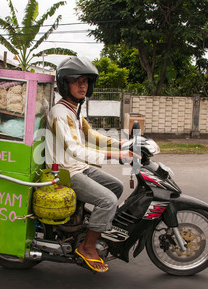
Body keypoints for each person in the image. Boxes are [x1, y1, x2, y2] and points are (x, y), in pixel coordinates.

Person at [45, 56, 138, 272]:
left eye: (85, 81)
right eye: (76, 81)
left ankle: (88, 226)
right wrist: (116, 156)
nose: (82, 85)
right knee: (107, 200)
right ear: (64, 84)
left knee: (116, 187)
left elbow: (91, 134)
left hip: (77, 167)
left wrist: (121, 143)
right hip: (66, 172)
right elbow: (75, 149)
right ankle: (87, 247)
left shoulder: (73, 110)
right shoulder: (60, 113)